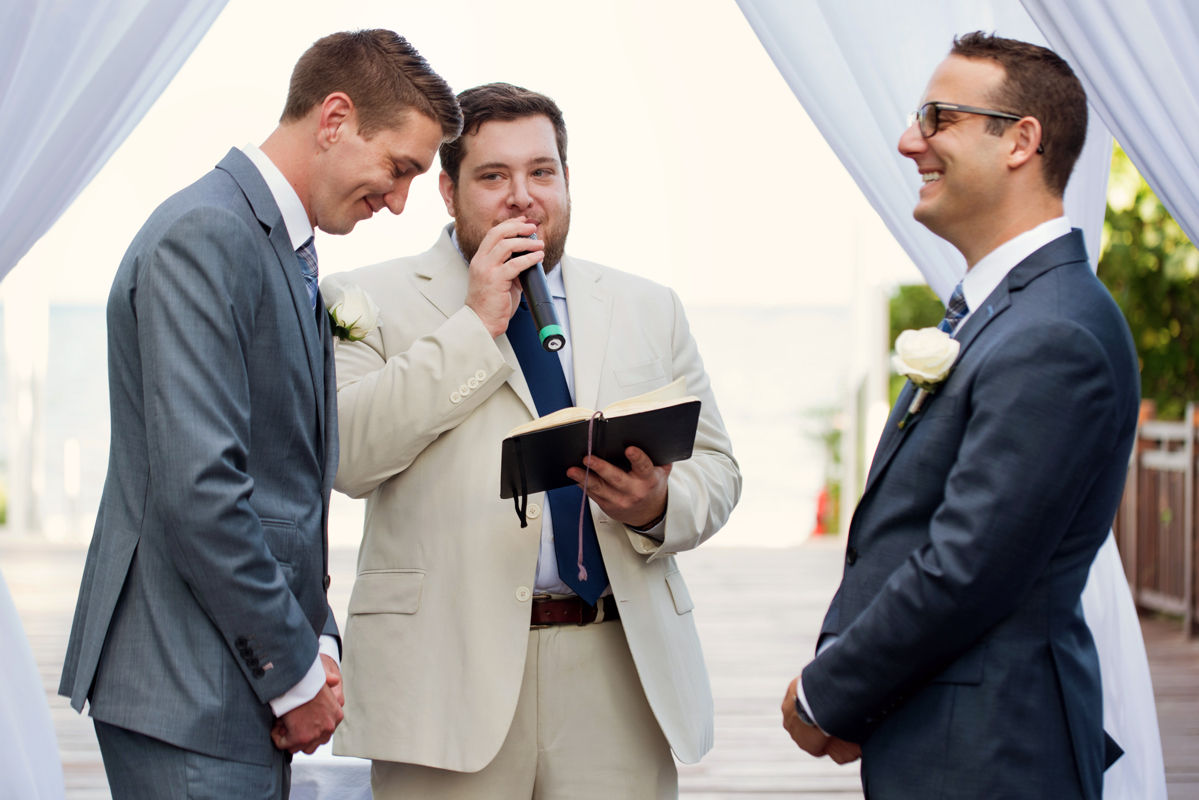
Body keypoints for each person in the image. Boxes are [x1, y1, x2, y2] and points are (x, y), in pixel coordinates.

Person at [58, 30, 461, 799]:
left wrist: (317, 639)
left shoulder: (276, 244)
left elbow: (284, 479)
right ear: (335, 117)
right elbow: (203, 489)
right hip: (188, 687)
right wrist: (293, 672)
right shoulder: (207, 235)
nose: (400, 201)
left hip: (224, 682)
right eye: (399, 168)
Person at [322, 82, 741, 800]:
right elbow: (348, 456)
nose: (522, 196)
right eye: (493, 176)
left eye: (541, 172)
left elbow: (718, 469)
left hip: (616, 669)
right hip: (442, 682)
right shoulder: (363, 299)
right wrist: (474, 323)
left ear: (567, 181)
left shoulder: (647, 306)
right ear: (448, 192)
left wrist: (655, 504)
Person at [781, 32, 1139, 800]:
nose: (910, 141)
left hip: (992, 755)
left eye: (938, 117)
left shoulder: (1054, 333)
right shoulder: (1003, 314)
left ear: (1020, 140)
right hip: (952, 742)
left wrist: (825, 692)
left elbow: (967, 566)